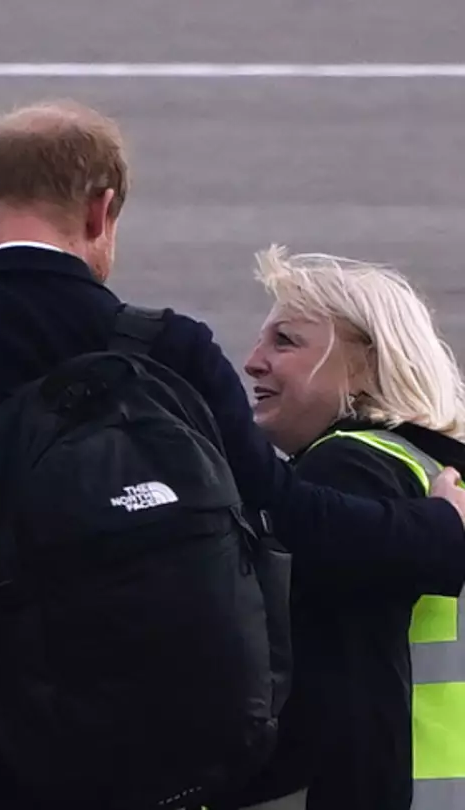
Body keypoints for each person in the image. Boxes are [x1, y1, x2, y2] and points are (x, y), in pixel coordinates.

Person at [0, 99, 465, 810]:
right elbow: (284, 519)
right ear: (102, 212)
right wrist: (437, 530)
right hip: (115, 766)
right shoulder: (166, 348)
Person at [213, 247, 465, 810]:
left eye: (286, 341)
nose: (252, 362)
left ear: (365, 363)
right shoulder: (438, 475)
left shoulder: (348, 468)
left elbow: (340, 691)